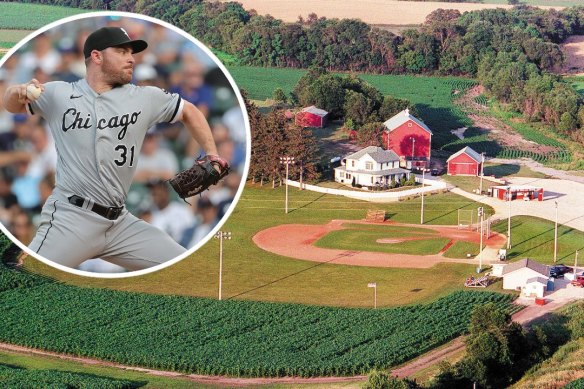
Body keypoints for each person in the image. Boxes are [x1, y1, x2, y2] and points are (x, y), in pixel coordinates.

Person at [2, 27, 227, 272]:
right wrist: (16, 92)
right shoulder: (59, 93)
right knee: (28, 278)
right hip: (70, 219)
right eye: (121, 51)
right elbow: (13, 106)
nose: (131, 58)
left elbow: (188, 111)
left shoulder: (145, 98)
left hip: (120, 223)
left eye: (131, 52)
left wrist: (212, 153)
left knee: (188, 269)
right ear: (96, 56)